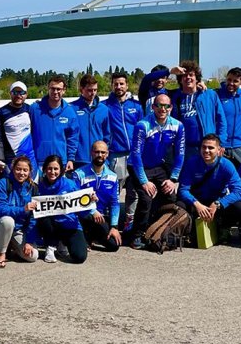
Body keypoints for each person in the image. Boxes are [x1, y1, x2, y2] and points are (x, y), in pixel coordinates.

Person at [128, 94, 185, 248]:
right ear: (153, 107)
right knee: (146, 198)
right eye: (159, 105)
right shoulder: (142, 125)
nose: (163, 109)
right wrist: (144, 181)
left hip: (158, 167)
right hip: (138, 166)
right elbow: (136, 155)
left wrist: (173, 179)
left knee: (170, 196)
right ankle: (137, 236)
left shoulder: (178, 125)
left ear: (171, 108)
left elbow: (180, 154)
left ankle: (158, 229)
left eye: (166, 106)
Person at [176, 134, 241, 235]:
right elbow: (183, 190)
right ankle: (189, 229)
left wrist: (219, 203)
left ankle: (223, 226)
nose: (206, 150)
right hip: (197, 202)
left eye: (211, 148)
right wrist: (197, 204)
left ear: (219, 150)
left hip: (217, 203)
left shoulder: (227, 165)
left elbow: (239, 192)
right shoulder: (192, 163)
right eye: (204, 147)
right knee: (179, 205)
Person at [102, 72, 143, 231]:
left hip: (134, 154)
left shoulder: (136, 106)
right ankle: (111, 222)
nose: (118, 87)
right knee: (114, 190)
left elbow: (142, 129)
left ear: (127, 85)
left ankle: (129, 222)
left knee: (134, 191)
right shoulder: (106, 106)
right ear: (112, 85)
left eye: (121, 84)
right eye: (116, 84)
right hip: (116, 154)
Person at [36, 155, 90, 264]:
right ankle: (50, 246)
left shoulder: (70, 184)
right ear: (45, 169)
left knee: (80, 257)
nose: (52, 172)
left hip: (70, 224)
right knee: (43, 217)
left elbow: (82, 211)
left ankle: (62, 243)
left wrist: (90, 202)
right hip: (51, 224)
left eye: (56, 169)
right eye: (49, 168)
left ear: (61, 170)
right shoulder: (39, 187)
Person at [169, 60, 226, 160]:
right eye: (184, 75)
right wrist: (170, 71)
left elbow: (221, 120)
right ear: (180, 79)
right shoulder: (175, 97)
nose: (188, 78)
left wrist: (221, 142)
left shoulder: (209, 95)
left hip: (208, 146)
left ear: (197, 78)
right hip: (185, 149)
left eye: (191, 75)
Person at [0, 156, 40, 267]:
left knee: (33, 256)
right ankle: (1, 254)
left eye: (25, 170)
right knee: (8, 221)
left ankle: (13, 245)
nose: (21, 173)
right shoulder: (4, 182)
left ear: (30, 172)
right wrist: (23, 209)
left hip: (19, 228)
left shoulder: (33, 188)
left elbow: (34, 217)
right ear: (13, 169)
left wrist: (29, 241)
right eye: (18, 169)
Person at [73, 141, 121, 252]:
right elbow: (74, 198)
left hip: (102, 218)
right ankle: (84, 237)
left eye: (103, 152)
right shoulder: (79, 174)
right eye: (97, 152)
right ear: (91, 153)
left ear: (107, 154)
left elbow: (115, 203)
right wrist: (92, 211)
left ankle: (93, 237)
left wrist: (114, 227)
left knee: (114, 245)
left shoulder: (113, 177)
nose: (100, 155)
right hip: (84, 216)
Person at [29, 75, 78, 173]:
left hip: (60, 163)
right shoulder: (35, 109)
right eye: (53, 88)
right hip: (38, 163)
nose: (55, 92)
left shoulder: (70, 112)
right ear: (48, 88)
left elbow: (73, 138)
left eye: (58, 89)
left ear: (64, 90)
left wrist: (70, 159)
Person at [0, 81, 38, 176]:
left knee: (30, 187)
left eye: (22, 92)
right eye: (15, 92)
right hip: (11, 159)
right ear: (10, 93)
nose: (18, 95)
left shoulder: (29, 109)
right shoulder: (1, 112)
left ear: (26, 94)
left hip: (29, 157)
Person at [70, 74, 110, 168]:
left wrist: (103, 154)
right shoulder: (71, 109)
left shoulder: (103, 109)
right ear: (81, 90)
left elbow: (107, 135)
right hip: (78, 160)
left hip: (98, 159)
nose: (93, 93)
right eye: (89, 90)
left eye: (95, 90)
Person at [216, 67, 241, 167]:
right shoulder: (217, 94)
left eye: (235, 81)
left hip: (239, 144)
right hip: (221, 145)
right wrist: (218, 142)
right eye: (229, 79)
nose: (231, 83)